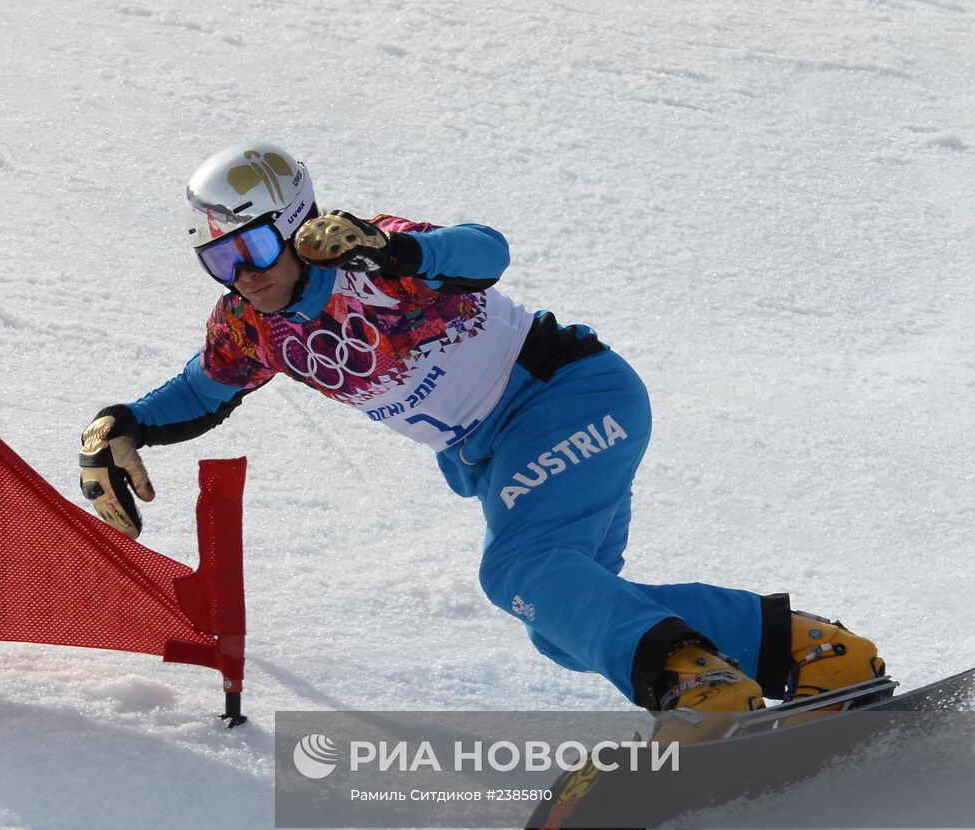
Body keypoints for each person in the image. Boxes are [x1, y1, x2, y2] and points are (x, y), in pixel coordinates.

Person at [78, 142, 884, 732]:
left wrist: (395, 250)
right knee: (564, 623)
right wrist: (128, 421)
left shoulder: (364, 253)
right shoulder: (251, 324)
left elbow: (486, 251)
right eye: (219, 258)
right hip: (502, 457)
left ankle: (701, 688)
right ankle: (807, 650)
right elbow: (205, 388)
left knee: (517, 569)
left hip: (567, 397)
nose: (244, 273)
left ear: (295, 225)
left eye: (254, 245)